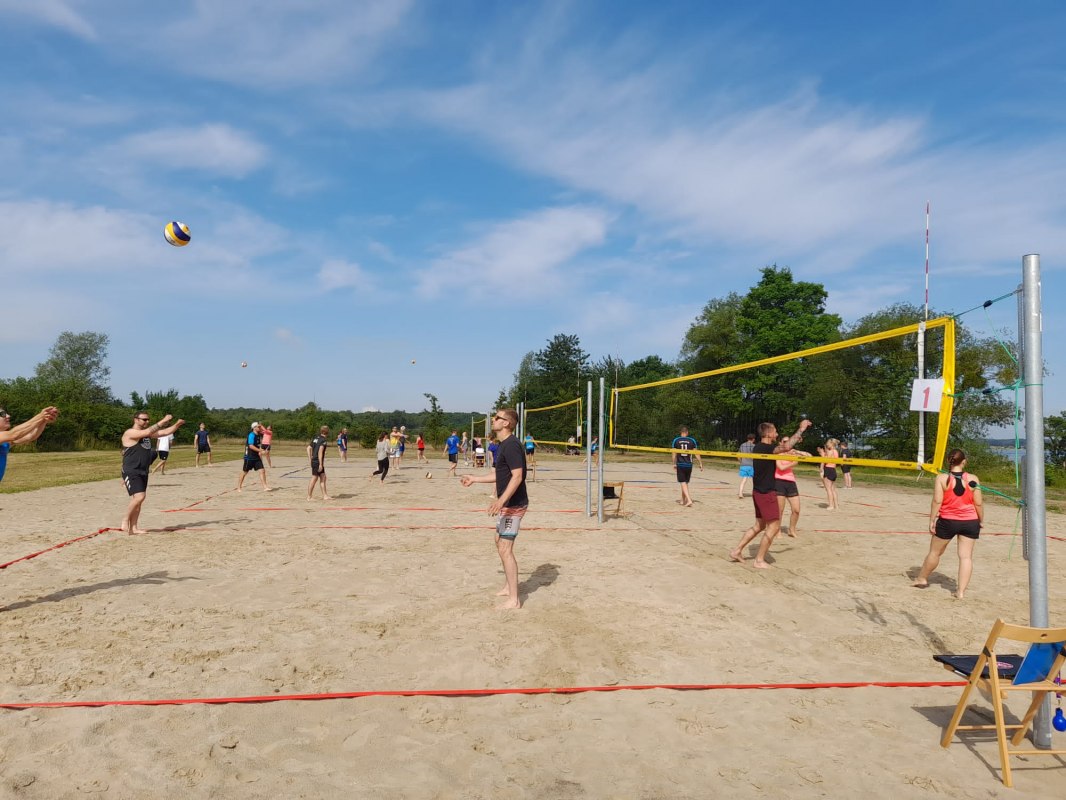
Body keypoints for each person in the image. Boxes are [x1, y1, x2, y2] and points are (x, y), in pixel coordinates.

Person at [461, 408, 529, 610]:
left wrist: (500, 501)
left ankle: (514, 600)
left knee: (505, 549)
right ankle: (509, 587)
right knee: (499, 541)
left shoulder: (512, 446)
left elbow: (517, 477)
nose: (493, 420)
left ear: (506, 423)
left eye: (497, 418)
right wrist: (475, 479)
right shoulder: (504, 445)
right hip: (507, 504)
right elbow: (502, 476)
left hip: (514, 505)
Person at [729, 418, 812, 569]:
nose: (777, 433)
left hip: (759, 491)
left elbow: (785, 447)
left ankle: (736, 551)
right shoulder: (764, 448)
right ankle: (759, 560)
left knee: (759, 525)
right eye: (774, 431)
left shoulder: (761, 447)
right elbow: (785, 447)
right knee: (774, 526)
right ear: (768, 433)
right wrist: (801, 429)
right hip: (766, 492)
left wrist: (795, 441)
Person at [913, 448, 984, 599]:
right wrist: (980, 520)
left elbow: (937, 501)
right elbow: (978, 504)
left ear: (948, 461)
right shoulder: (973, 478)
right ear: (964, 462)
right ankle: (961, 591)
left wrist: (932, 519)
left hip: (948, 521)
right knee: (966, 557)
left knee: (935, 552)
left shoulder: (942, 478)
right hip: (970, 521)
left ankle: (922, 578)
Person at [120, 411, 185, 534]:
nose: (147, 421)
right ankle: (125, 519)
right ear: (136, 419)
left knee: (138, 500)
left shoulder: (147, 435)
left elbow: (165, 432)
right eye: (144, 419)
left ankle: (133, 528)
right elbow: (148, 431)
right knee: (140, 497)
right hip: (132, 470)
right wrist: (164, 421)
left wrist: (177, 424)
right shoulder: (130, 432)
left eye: (148, 419)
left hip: (143, 470)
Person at [0, 406, 60, 484]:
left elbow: (30, 436)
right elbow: (13, 434)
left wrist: (44, 420)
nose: (8, 416)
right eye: (2, 414)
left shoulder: (5, 443)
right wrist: (40, 416)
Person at [775, 433, 810, 538]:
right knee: (780, 510)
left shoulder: (792, 452)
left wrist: (797, 452)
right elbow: (780, 467)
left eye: (788, 441)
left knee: (796, 509)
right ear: (780, 443)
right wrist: (793, 463)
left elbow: (810, 456)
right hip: (779, 481)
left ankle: (791, 530)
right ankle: (777, 531)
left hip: (791, 482)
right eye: (784, 441)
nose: (786, 443)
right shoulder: (777, 453)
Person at [671, 426, 703, 507]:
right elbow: (696, 453)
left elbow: (674, 453)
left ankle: (689, 500)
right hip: (689, 464)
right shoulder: (692, 440)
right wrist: (700, 463)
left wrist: (673, 463)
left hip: (681, 464)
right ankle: (682, 500)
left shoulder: (676, 440)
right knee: (685, 482)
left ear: (681, 432)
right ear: (687, 432)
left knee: (682, 482)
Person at [236, 422, 271, 492]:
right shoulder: (251, 435)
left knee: (262, 471)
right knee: (244, 472)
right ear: (254, 428)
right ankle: (238, 487)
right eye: (258, 427)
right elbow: (251, 446)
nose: (260, 428)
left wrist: (260, 450)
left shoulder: (258, 435)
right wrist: (260, 451)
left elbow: (266, 432)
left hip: (256, 457)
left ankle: (265, 487)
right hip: (249, 457)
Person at [307, 425, 332, 500]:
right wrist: (321, 464)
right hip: (317, 462)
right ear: (327, 432)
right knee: (314, 478)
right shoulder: (323, 440)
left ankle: (325, 496)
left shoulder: (316, 438)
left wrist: (310, 458)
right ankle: (309, 497)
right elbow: (320, 452)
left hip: (314, 461)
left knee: (323, 477)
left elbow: (308, 448)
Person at [822, 438, 840, 510]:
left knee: (828, 489)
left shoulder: (830, 451)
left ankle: (831, 505)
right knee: (833, 489)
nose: (827, 444)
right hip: (833, 469)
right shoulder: (836, 451)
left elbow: (826, 460)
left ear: (831, 444)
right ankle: (836, 505)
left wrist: (823, 454)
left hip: (828, 469)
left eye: (828, 443)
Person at [737, 433, 756, 498]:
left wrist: (741, 462)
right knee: (755, 480)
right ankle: (755, 494)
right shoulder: (754, 446)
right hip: (752, 465)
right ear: (753, 439)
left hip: (744, 464)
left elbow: (738, 456)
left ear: (747, 438)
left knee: (744, 479)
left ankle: (740, 493)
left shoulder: (742, 445)